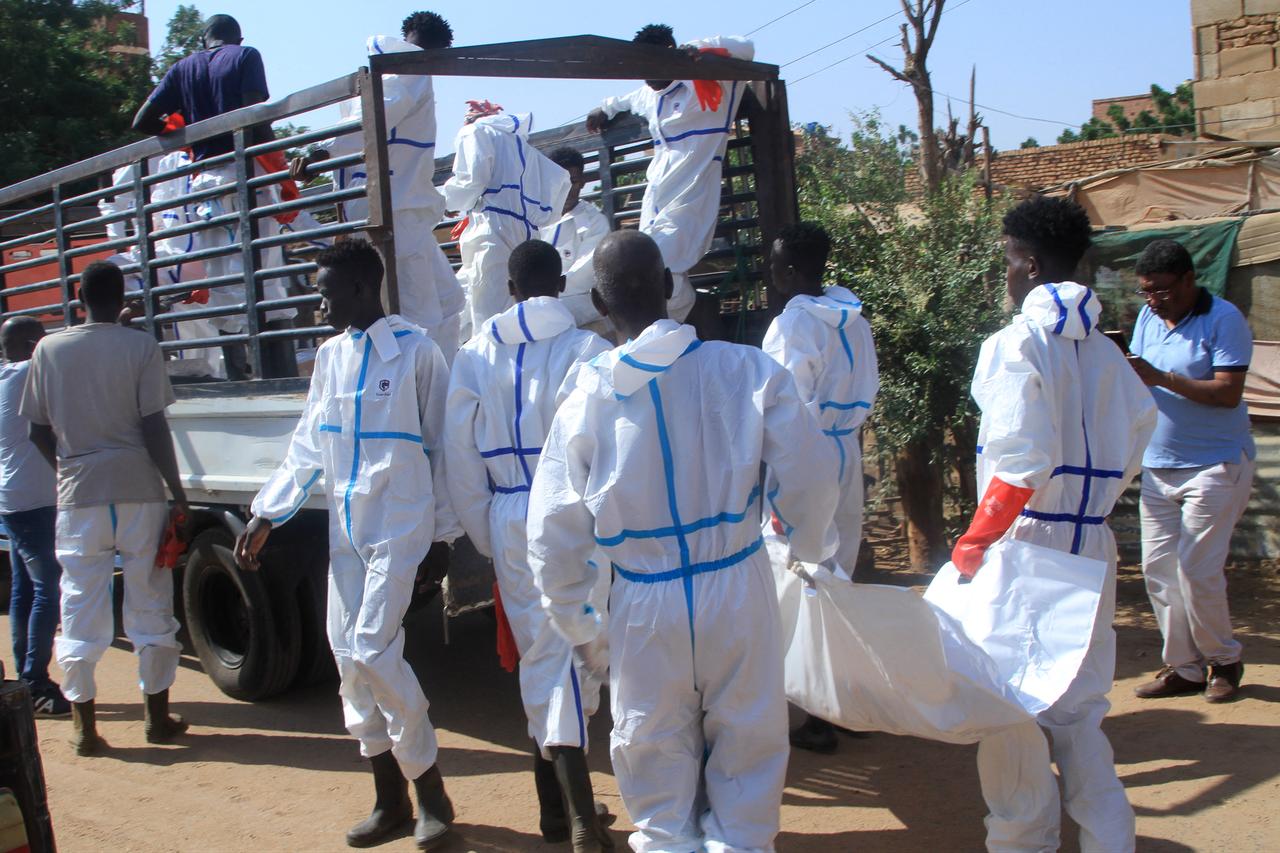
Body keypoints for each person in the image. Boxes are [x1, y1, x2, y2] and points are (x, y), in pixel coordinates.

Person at [527, 230, 840, 852]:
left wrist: (581, 626)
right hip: (738, 582)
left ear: (598, 302)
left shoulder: (587, 397)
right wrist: (803, 548)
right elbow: (810, 475)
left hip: (644, 604)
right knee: (748, 756)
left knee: (654, 765)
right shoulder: (749, 370)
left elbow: (552, 535)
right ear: (672, 287)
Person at [233, 240, 460, 850]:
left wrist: (443, 537)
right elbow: (309, 444)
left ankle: (431, 792)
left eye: (327, 291)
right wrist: (265, 513)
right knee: (346, 657)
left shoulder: (417, 353)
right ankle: (389, 799)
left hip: (400, 529)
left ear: (362, 288)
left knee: (373, 650)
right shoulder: (331, 357)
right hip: (348, 534)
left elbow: (446, 451)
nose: (319, 302)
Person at [949, 196, 1156, 852]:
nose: (1005, 276)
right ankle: (1110, 840)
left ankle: (1021, 842)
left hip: (1028, 542)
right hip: (1089, 542)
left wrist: (973, 546)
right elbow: (1141, 432)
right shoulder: (1108, 355)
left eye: (1008, 262)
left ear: (1030, 264)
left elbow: (1018, 459)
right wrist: (1090, 503)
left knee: (1009, 708)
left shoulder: (1014, 345)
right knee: (1080, 714)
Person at [444, 240, 612, 849]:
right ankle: (582, 823)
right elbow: (605, 444)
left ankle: (554, 809)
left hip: (508, 512)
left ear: (509, 288)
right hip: (570, 512)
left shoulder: (474, 352)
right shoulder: (586, 348)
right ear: (561, 281)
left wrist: (486, 526)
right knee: (576, 655)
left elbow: (458, 454)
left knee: (542, 656)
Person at [20, 261, 191, 756]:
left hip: (79, 493)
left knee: (79, 603)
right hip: (139, 487)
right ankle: (156, 721)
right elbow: (154, 426)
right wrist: (176, 492)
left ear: (78, 296)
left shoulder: (47, 349)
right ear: (123, 298)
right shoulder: (140, 346)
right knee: (150, 599)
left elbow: (37, 430)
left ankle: (83, 727)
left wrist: (69, 467)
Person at [761, 222, 879, 754]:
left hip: (807, 455)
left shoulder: (792, 326)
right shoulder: (854, 320)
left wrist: (784, 482)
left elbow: (790, 408)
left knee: (797, 575)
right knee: (838, 571)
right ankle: (848, 699)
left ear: (788, 271)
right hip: (846, 449)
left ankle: (808, 712)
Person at [291, 11, 466, 363]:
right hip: (397, 211)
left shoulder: (385, 70)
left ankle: (441, 383)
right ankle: (421, 395)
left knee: (450, 301)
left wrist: (324, 151)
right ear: (440, 50)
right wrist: (321, 150)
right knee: (422, 316)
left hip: (402, 211)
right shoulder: (410, 68)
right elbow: (379, 115)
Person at [133, 14, 297, 380]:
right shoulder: (245, 55)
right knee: (265, 277)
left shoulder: (182, 69)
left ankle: (238, 381)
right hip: (244, 172)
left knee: (223, 282)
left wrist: (182, 133)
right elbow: (254, 117)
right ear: (237, 37)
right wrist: (278, 165)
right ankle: (278, 379)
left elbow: (142, 121)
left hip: (203, 184)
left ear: (203, 39)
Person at [1126, 239, 1254, 703]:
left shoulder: (1223, 320)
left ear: (1187, 279)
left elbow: (1227, 394)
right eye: (1146, 292)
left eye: (1161, 290)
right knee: (1158, 570)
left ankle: (1224, 661)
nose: (1154, 300)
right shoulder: (1147, 318)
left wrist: (1162, 378)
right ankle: (1183, 668)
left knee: (1196, 571)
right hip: (1159, 465)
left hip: (1215, 464)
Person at [585, 24, 754, 322]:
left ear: (670, 55)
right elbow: (626, 100)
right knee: (652, 270)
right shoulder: (652, 94)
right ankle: (688, 322)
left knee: (654, 267)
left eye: (649, 64)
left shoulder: (711, 84)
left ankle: (688, 320)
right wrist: (604, 109)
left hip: (691, 199)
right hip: (656, 200)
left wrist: (697, 48)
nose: (644, 75)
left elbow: (746, 47)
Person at [444, 102, 569, 340]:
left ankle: (488, 368)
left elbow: (471, 182)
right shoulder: (520, 144)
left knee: (487, 314)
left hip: (491, 230)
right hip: (524, 232)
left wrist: (446, 202)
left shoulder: (474, 132)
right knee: (515, 310)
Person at [0, 318, 67, 717]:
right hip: (34, 501)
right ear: (31, 343)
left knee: (26, 590)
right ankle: (35, 680)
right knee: (48, 590)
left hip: (15, 499)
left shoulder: (7, 375)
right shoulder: (27, 371)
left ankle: (28, 677)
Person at [539, 147, 614, 339]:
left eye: (572, 182)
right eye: (560, 182)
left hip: (580, 306)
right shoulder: (536, 218)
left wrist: (543, 295)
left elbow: (583, 276)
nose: (566, 189)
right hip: (539, 305)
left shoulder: (595, 223)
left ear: (582, 182)